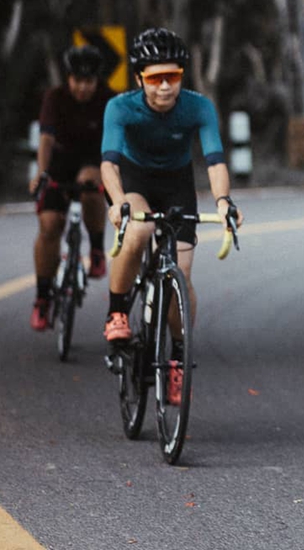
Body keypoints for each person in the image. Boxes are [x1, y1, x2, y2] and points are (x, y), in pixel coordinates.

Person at [100, 27, 243, 401]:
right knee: (139, 233)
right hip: (134, 179)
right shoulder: (120, 108)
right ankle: (117, 313)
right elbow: (109, 164)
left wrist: (224, 202)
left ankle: (178, 360)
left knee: (183, 276)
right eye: (155, 79)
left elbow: (214, 162)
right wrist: (118, 203)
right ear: (139, 79)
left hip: (177, 182)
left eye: (173, 77)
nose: (165, 87)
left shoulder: (198, 107)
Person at [28, 44, 114, 331]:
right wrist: (42, 173)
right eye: (77, 80)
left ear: (97, 80)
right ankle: (42, 297)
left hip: (93, 158)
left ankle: (98, 250)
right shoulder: (55, 97)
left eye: (88, 81)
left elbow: (116, 143)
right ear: (68, 79)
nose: (82, 87)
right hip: (60, 160)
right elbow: (46, 139)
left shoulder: (107, 99)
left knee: (89, 184)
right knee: (50, 224)